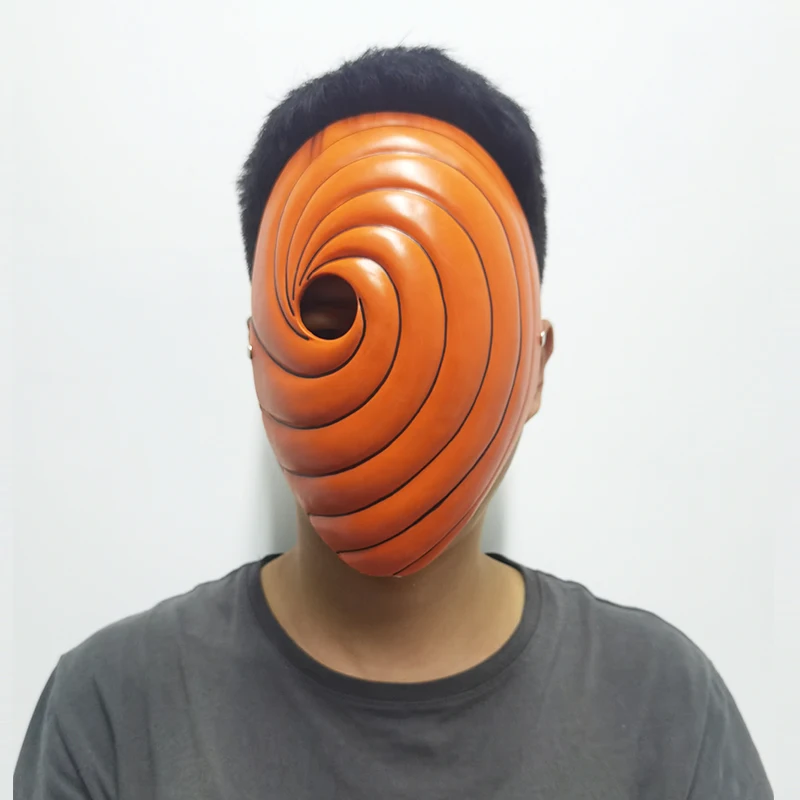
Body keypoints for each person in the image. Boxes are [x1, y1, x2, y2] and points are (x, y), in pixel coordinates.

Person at [15, 46, 771, 799]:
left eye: (450, 322)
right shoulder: (113, 714)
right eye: (332, 317)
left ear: (534, 365)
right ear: (259, 356)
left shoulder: (667, 711)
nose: (386, 370)